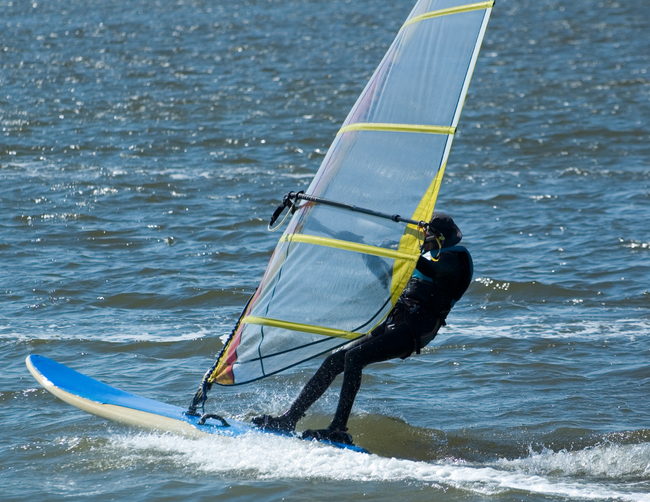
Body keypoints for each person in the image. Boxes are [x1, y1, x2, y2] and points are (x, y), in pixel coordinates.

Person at [252, 212, 473, 445]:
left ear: (438, 239)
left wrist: (404, 251)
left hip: (418, 329)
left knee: (355, 358)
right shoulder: (423, 256)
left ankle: (338, 428)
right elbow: (387, 280)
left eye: (425, 236)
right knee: (335, 360)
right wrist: (369, 250)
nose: (420, 239)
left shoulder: (454, 259)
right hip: (396, 320)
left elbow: (432, 271)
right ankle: (289, 419)